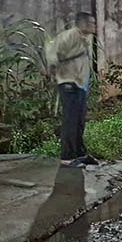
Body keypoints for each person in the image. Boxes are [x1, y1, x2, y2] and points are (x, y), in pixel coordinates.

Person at [45, 12, 99, 167]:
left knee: (79, 121)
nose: (93, 26)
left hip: (80, 84)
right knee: (70, 120)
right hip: (69, 84)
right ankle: (67, 157)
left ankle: (79, 153)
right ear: (81, 23)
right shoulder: (68, 36)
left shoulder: (84, 37)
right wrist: (53, 68)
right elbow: (52, 51)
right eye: (90, 23)